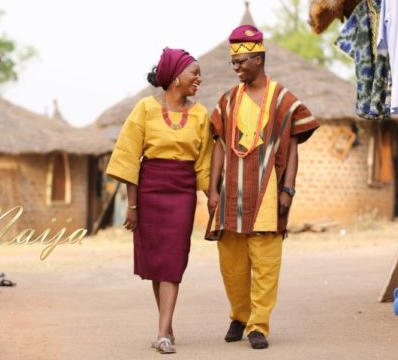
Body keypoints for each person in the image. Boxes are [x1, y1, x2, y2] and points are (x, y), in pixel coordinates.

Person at [207, 25, 319, 350]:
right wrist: (212, 189)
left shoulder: (283, 99)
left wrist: (289, 190)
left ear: (258, 58)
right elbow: (217, 146)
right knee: (231, 261)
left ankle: (259, 325)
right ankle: (239, 315)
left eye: (242, 61)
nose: (236, 67)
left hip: (267, 190)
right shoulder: (227, 101)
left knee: (266, 260)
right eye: (234, 63)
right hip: (230, 192)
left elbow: (294, 146)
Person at [106, 47, 213, 354]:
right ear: (176, 77)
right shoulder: (144, 109)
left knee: (173, 260)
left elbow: (204, 159)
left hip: (182, 191)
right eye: (194, 73)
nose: (199, 79)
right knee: (157, 262)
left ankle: (163, 332)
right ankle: (166, 327)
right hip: (150, 189)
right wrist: (133, 205)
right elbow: (128, 157)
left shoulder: (200, 114)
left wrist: (211, 197)